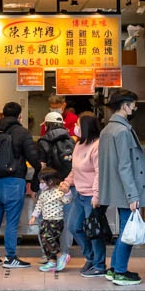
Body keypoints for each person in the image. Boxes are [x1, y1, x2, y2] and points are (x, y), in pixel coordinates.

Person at [98, 88, 145, 286]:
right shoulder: (122, 131)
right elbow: (125, 165)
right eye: (133, 104)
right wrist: (132, 195)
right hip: (126, 190)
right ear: (125, 105)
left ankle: (114, 268)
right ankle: (120, 271)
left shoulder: (107, 129)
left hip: (115, 188)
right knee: (127, 231)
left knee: (124, 230)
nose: (135, 108)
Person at [0, 101, 41, 269]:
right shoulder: (22, 132)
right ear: (20, 116)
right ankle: (10, 257)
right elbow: (33, 158)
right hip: (14, 181)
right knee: (11, 221)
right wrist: (40, 168)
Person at [38, 110, 77, 270]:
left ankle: (48, 254)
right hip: (68, 186)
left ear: (46, 125)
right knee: (67, 221)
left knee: (45, 220)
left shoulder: (43, 142)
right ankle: (65, 253)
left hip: (50, 186)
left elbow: (41, 167)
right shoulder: (73, 141)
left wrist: (37, 185)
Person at [69, 113, 107, 277]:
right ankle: (90, 258)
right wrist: (67, 182)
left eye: (77, 124)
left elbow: (100, 172)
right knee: (74, 227)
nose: (75, 127)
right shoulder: (79, 145)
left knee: (93, 231)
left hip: (92, 196)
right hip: (79, 194)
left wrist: (97, 196)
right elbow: (75, 169)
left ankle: (99, 264)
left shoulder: (97, 146)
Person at [29, 168, 73, 271]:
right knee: (44, 239)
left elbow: (67, 201)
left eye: (43, 182)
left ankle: (61, 255)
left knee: (49, 238)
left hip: (56, 220)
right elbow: (39, 205)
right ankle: (52, 261)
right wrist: (34, 216)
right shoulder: (43, 193)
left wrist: (67, 193)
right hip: (45, 220)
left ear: (51, 181)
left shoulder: (59, 191)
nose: (41, 185)